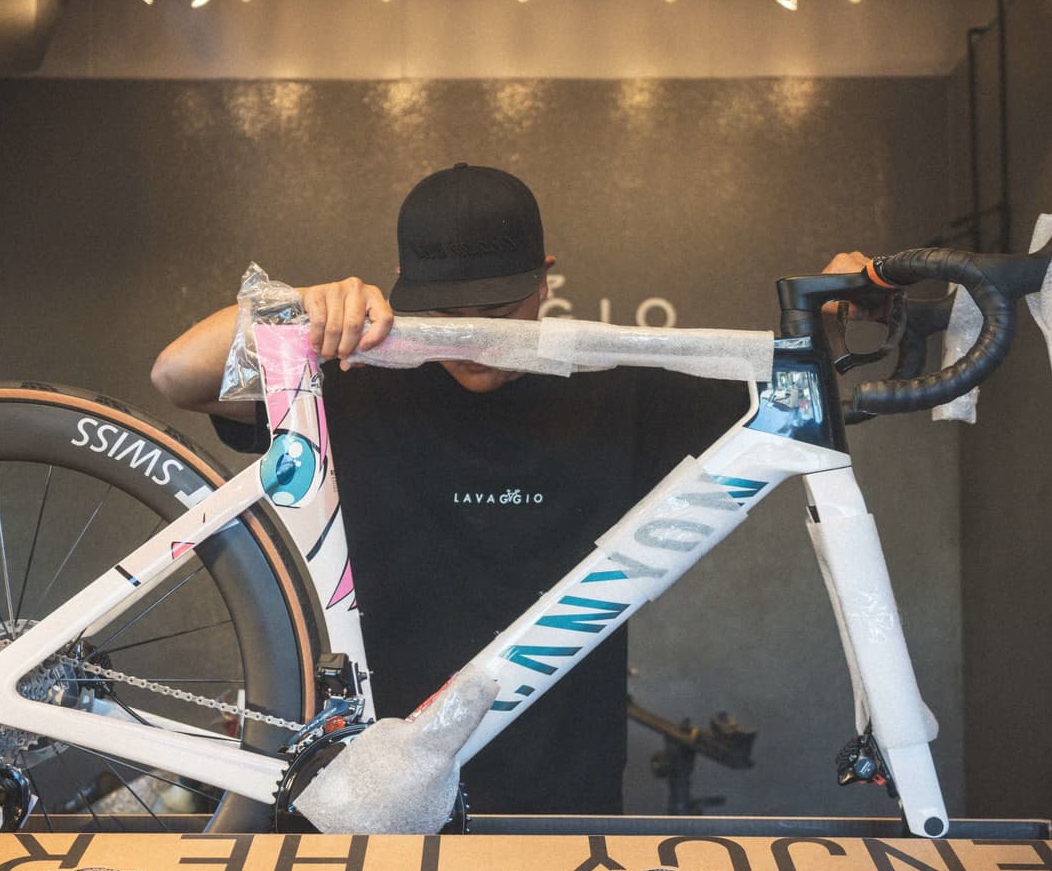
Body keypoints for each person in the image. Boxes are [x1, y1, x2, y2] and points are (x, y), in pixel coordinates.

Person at [153, 163, 867, 816]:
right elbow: (177, 375)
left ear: (544, 280)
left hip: (560, 804)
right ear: (403, 283)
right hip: (358, 797)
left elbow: (791, 387)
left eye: (499, 310)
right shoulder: (348, 382)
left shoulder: (621, 394)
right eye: (448, 312)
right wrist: (298, 308)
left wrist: (837, 313)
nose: (474, 337)